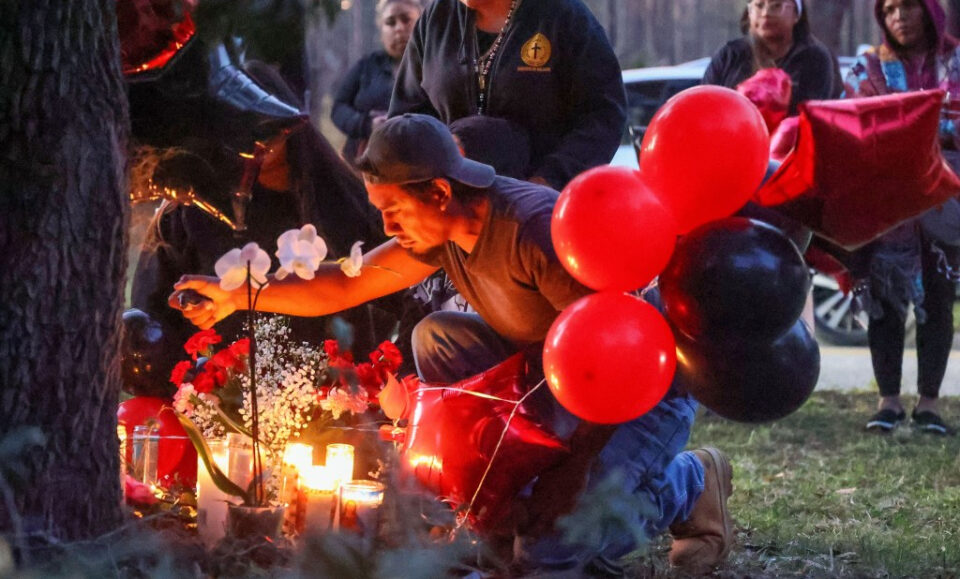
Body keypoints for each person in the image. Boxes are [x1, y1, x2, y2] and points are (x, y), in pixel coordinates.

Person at [172, 113, 734, 575]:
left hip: (639, 390)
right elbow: (345, 284)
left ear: (439, 191)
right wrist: (237, 296)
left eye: (393, 210)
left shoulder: (537, 233)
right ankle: (497, 483)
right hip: (557, 374)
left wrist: (573, 472)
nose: (388, 227)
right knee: (435, 338)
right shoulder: (442, 232)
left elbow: (618, 357)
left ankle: (689, 483)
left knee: (552, 549)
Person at [844, 0, 960, 435]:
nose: (899, 17)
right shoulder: (867, 67)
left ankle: (929, 403)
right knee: (886, 304)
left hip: (944, 203)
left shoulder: (955, 61)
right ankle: (888, 401)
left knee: (937, 300)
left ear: (930, 10)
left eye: (909, 5)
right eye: (889, 8)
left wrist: (916, 132)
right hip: (888, 208)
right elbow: (853, 127)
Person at [388, 0, 626, 190]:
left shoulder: (563, 16)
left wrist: (549, 180)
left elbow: (603, 115)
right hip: (454, 211)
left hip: (542, 210)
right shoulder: (435, 20)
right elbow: (407, 118)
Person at [703, 0, 842, 114]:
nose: (766, 13)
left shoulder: (815, 59)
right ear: (749, 12)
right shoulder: (730, 55)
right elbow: (705, 104)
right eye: (759, 5)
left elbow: (814, 115)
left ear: (796, 15)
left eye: (776, 5)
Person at [332, 0, 423, 167]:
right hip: (360, 166)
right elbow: (339, 108)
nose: (399, 28)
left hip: (416, 166)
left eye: (406, 19)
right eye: (390, 22)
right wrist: (367, 125)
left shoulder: (434, 68)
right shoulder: (367, 66)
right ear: (381, 30)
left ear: (423, 25)